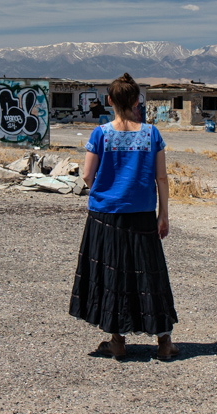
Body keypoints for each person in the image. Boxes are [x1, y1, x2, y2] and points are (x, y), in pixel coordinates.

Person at [69, 72, 179, 360]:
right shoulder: (152, 134)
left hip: (106, 216)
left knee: (114, 275)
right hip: (143, 215)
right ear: (135, 100)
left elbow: (87, 175)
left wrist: (106, 189)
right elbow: (162, 178)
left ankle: (117, 341)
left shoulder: (100, 134)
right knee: (149, 276)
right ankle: (164, 341)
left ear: (109, 101)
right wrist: (164, 214)